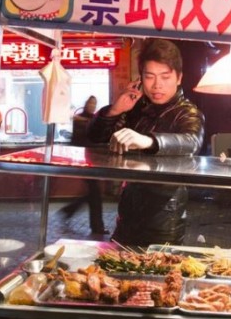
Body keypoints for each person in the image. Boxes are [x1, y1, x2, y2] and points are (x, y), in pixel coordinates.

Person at [87, 39, 204, 246]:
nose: (157, 85)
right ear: (140, 78)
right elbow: (94, 141)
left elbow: (191, 142)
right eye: (149, 77)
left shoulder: (188, 112)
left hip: (165, 218)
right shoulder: (137, 109)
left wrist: (148, 140)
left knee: (157, 273)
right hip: (128, 213)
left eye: (165, 77)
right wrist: (115, 110)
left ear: (179, 78)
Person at [60, 94, 108, 235]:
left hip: (92, 160)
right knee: (95, 194)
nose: (92, 105)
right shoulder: (82, 119)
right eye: (91, 103)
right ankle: (97, 227)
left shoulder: (91, 118)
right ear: (86, 104)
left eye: (94, 103)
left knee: (93, 193)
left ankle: (69, 210)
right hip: (84, 161)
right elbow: (82, 138)